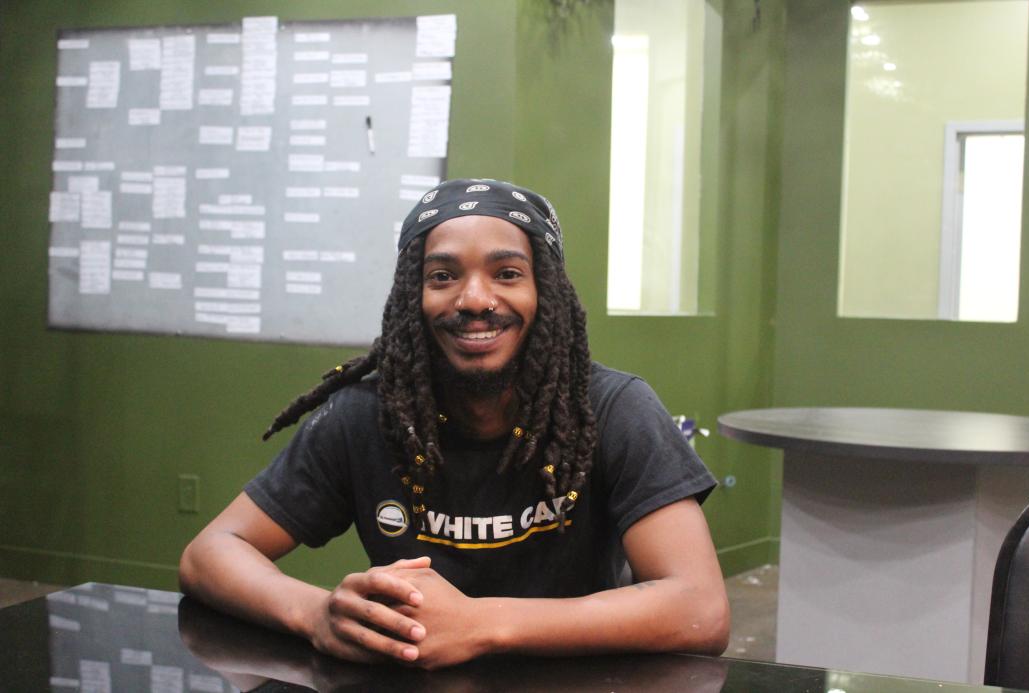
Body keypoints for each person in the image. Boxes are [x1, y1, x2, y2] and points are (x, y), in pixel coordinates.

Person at [179, 178, 730, 670]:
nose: (474, 299)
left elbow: (700, 609)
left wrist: (479, 626)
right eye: (442, 276)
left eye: (507, 273)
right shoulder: (364, 417)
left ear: (547, 293)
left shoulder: (614, 410)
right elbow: (210, 555)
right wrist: (314, 613)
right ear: (411, 298)